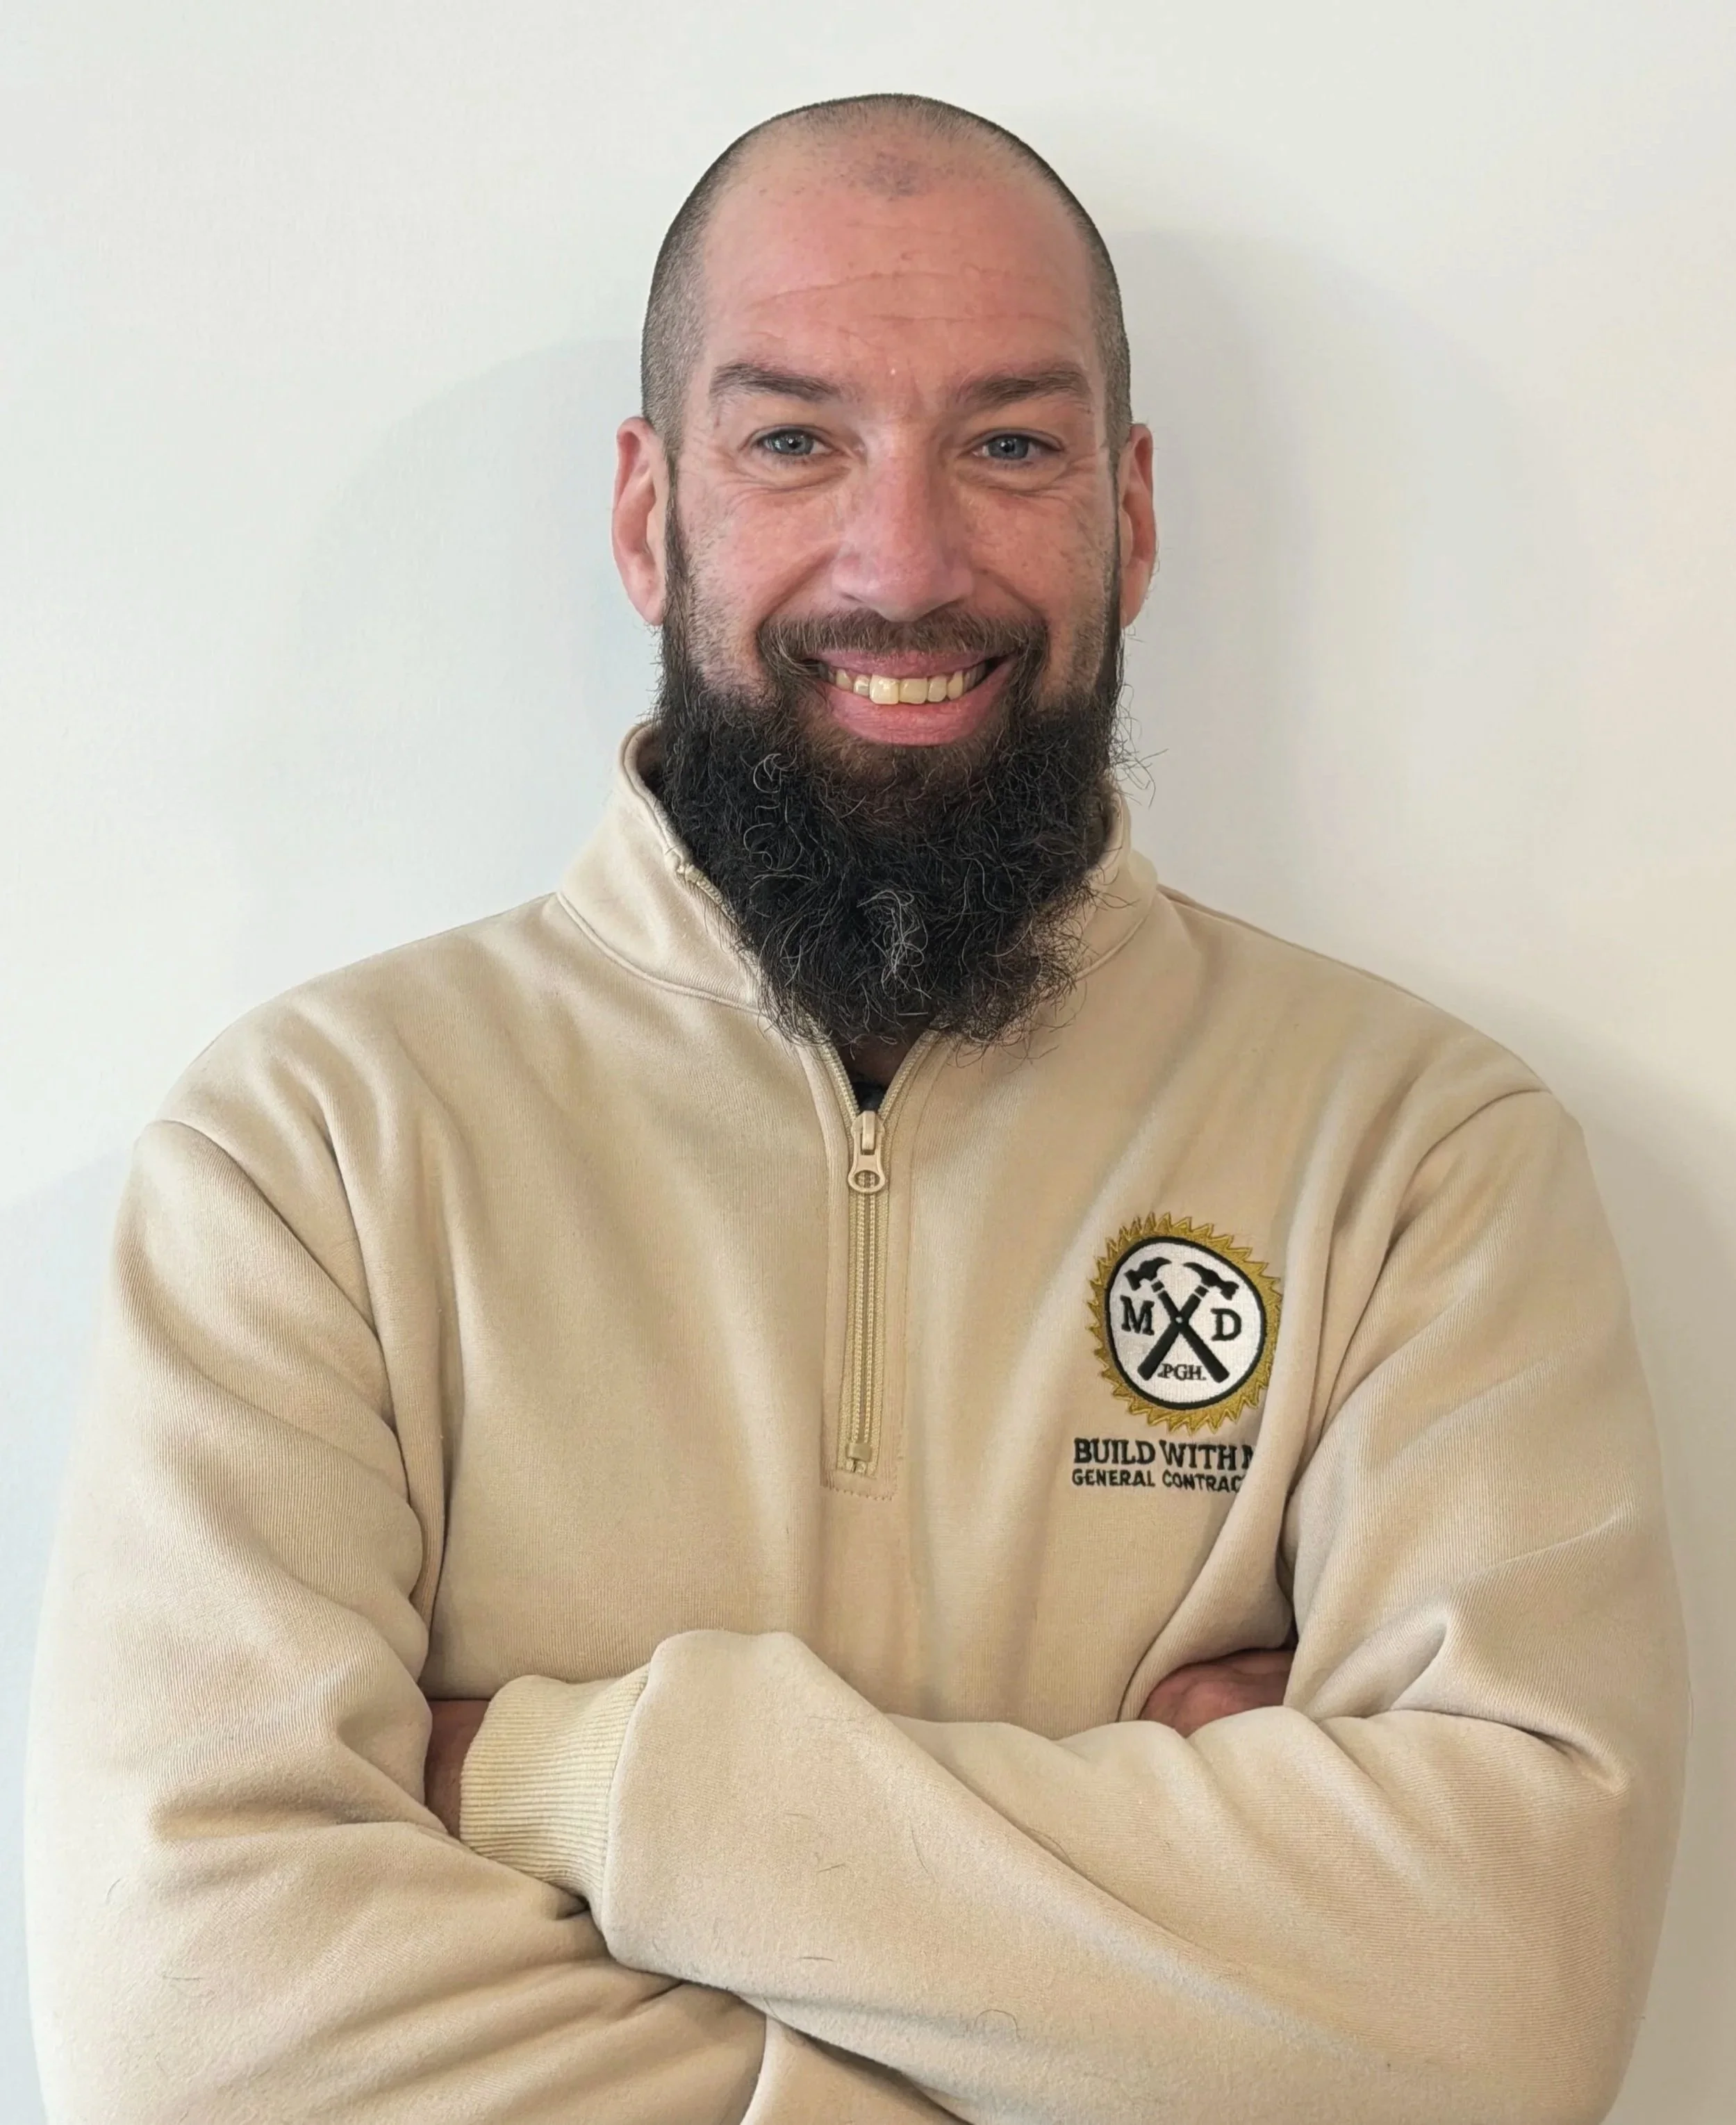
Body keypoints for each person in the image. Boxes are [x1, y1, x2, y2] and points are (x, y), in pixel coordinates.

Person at [25, 92, 1685, 2125]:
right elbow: (196, 2045)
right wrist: (1180, 1977)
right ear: (651, 511)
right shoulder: (311, 1155)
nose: (904, 562)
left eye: (1008, 444)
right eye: (795, 440)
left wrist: (575, 1775)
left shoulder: (1422, 1161)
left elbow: (1503, 2010)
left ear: (1131, 512)